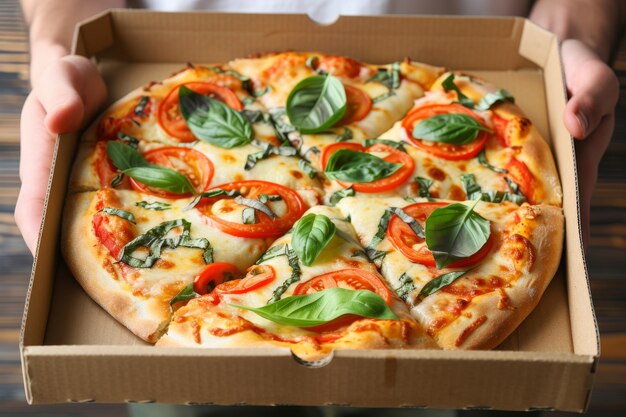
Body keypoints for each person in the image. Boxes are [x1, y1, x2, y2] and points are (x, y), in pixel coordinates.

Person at [14, 0, 623, 416]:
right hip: (205, 100)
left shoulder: (474, 283)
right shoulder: (140, 263)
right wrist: (55, 45)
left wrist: (573, 35)